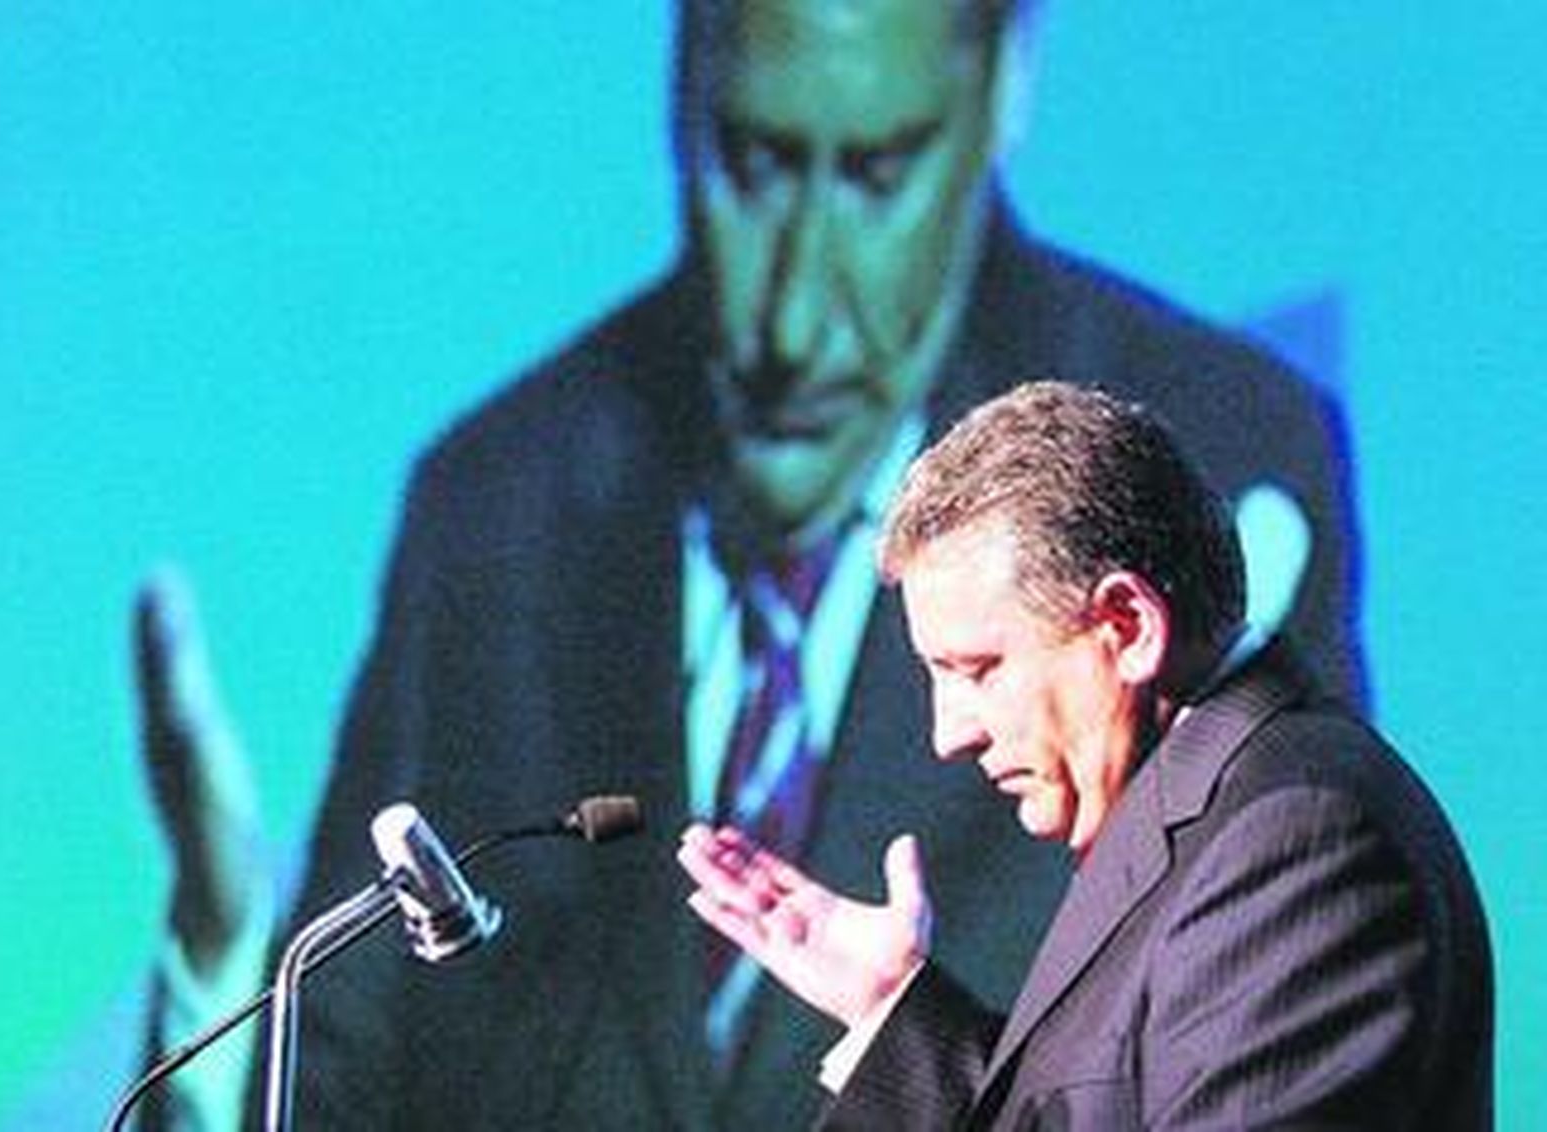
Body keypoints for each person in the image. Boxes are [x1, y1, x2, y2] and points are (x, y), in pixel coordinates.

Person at [138, 1, 1367, 1127]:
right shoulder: (493, 502)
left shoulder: (1219, 468)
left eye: (877, 175)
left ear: (1002, 90)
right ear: (678, 96)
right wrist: (227, 958)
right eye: (755, 164)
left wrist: (902, 1026)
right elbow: (337, 1084)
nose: (790, 321)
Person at [678, 381, 1491, 1130]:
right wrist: (893, 1012)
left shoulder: (1295, 837)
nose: (948, 734)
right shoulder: (1217, 821)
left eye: (977, 670)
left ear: (1128, 627)